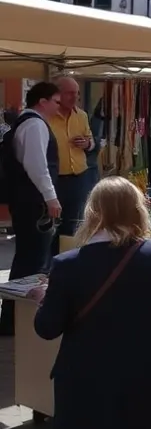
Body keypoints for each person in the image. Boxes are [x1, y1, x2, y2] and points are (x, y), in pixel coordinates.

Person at [30, 176, 151, 429]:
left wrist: (43, 298)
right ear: (138, 211)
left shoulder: (67, 264)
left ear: (93, 213)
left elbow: (47, 328)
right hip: (143, 382)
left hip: (85, 386)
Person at [0, 82, 63, 336]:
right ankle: (20, 320)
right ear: (43, 101)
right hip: (32, 203)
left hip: (26, 201)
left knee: (28, 259)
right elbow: (38, 167)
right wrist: (51, 198)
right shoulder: (35, 125)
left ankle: (13, 320)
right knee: (33, 261)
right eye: (56, 101)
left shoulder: (27, 123)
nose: (59, 107)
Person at [48, 76, 94, 250]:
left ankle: (64, 262)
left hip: (78, 177)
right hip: (55, 179)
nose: (75, 97)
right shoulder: (47, 117)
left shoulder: (81, 115)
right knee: (51, 226)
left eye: (77, 93)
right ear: (58, 94)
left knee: (72, 223)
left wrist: (87, 144)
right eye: (69, 93)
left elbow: (91, 140)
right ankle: (49, 264)